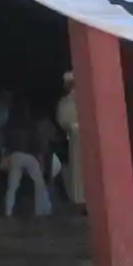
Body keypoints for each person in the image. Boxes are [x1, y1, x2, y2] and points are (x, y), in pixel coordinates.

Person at [1, 94, 52, 217]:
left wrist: (5, 158)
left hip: (15, 156)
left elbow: (5, 144)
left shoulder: (9, 124)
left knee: (12, 186)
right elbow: (36, 143)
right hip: (30, 156)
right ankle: (42, 210)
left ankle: (8, 211)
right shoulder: (30, 124)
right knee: (39, 184)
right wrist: (40, 159)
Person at [55, 70, 84, 209]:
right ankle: (81, 198)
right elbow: (62, 120)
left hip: (79, 135)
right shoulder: (66, 101)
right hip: (75, 136)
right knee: (78, 168)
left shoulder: (71, 100)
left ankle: (81, 198)